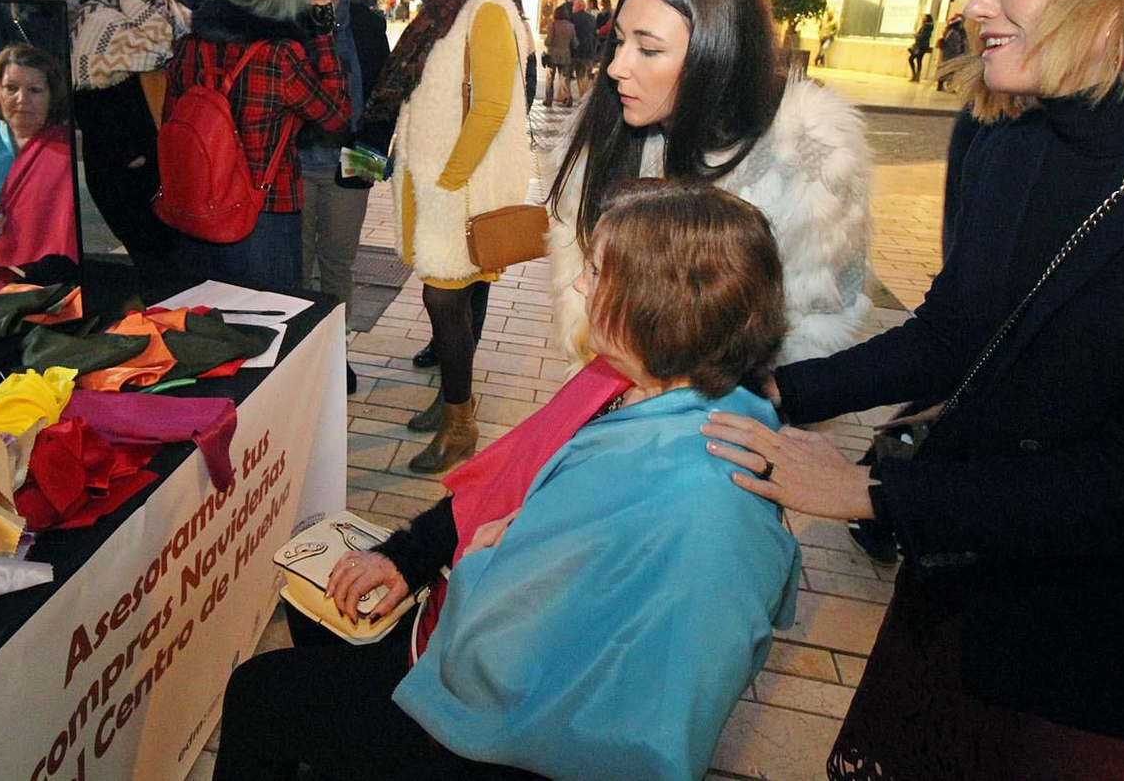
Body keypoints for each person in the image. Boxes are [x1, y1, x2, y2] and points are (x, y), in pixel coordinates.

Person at [702, 0, 1124, 779]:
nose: (975, 4)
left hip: (1113, 655)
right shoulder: (1000, 130)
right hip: (966, 590)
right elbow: (958, 330)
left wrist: (868, 492)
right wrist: (778, 394)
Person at [214, 180, 800, 781]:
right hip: (496, 661)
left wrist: (486, 561)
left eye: (598, 273)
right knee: (320, 622)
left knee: (261, 694)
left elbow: (530, 668)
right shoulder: (650, 387)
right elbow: (514, 479)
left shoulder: (699, 493)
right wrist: (410, 556)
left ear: (661, 305)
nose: (580, 285)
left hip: (517, 737)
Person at [548, 0, 871, 373]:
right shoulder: (608, 127)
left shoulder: (808, 154)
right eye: (619, 41)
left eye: (649, 49)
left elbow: (820, 318)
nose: (616, 67)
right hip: (612, 389)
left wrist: (757, 399)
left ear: (716, 52)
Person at [361, 0, 531, 474]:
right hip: (437, 185)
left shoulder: (487, 7)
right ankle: (453, 399)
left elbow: (492, 106)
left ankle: (460, 425)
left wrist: (449, 180)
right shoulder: (446, 9)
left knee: (444, 299)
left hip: (459, 189)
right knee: (450, 300)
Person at [164, 0, 349, 290]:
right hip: (264, 214)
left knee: (202, 314)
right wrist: (323, 35)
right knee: (269, 318)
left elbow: (171, 124)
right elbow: (335, 115)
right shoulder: (279, 56)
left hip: (193, 208)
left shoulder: (188, 48)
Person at [281, 0, 392, 326]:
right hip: (294, 164)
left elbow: (384, 97)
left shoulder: (365, 22)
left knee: (339, 264)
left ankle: (334, 348)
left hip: (351, 161)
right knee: (295, 265)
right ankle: (298, 346)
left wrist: (368, 163)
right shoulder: (284, 21)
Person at [71, 0, 189, 260]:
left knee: (182, 265)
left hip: (175, 166)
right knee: (157, 262)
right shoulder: (95, 20)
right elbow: (89, 106)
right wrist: (133, 155)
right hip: (126, 173)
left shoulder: (177, 15)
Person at [0, 44, 78, 279]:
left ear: (52, 95)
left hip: (57, 278)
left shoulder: (71, 150)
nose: (21, 100)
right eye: (11, 88)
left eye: (35, 90)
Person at [542, 3, 576, 106]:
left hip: (552, 55)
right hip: (565, 55)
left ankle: (549, 99)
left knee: (550, 78)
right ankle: (568, 97)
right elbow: (575, 43)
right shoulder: (571, 26)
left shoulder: (552, 25)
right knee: (564, 78)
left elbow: (548, 42)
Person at [934, 9, 969, 91]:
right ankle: (949, 86)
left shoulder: (949, 30)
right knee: (950, 70)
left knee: (946, 69)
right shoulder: (954, 32)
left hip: (947, 53)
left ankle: (943, 85)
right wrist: (958, 52)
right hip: (951, 54)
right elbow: (955, 44)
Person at [908, 12, 934, 81]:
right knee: (919, 60)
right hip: (923, 46)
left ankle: (915, 75)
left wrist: (916, 35)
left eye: (924, 17)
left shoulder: (926, 27)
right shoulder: (928, 26)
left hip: (920, 46)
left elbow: (923, 36)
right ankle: (917, 76)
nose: (922, 18)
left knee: (911, 59)